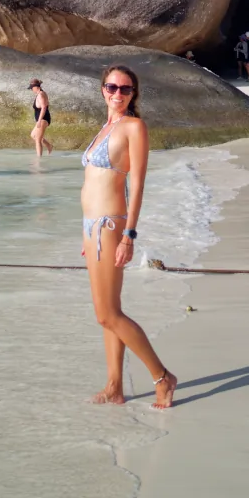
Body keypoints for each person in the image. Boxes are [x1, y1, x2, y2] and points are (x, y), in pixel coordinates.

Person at [81, 65, 176, 409]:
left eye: (125, 89)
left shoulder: (135, 127)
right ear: (102, 89)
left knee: (107, 315)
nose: (118, 94)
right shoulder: (106, 127)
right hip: (90, 228)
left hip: (111, 227)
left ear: (134, 93)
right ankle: (114, 386)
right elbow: (92, 181)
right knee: (109, 312)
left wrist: (129, 235)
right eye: (112, 87)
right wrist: (84, 235)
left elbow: (136, 185)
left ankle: (162, 377)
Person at [28, 78, 53, 157]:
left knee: (38, 140)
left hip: (43, 119)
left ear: (36, 87)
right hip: (41, 118)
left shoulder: (41, 95)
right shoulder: (40, 94)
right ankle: (49, 145)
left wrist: (39, 120)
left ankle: (39, 160)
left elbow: (44, 108)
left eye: (32, 88)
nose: (31, 89)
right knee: (33, 135)